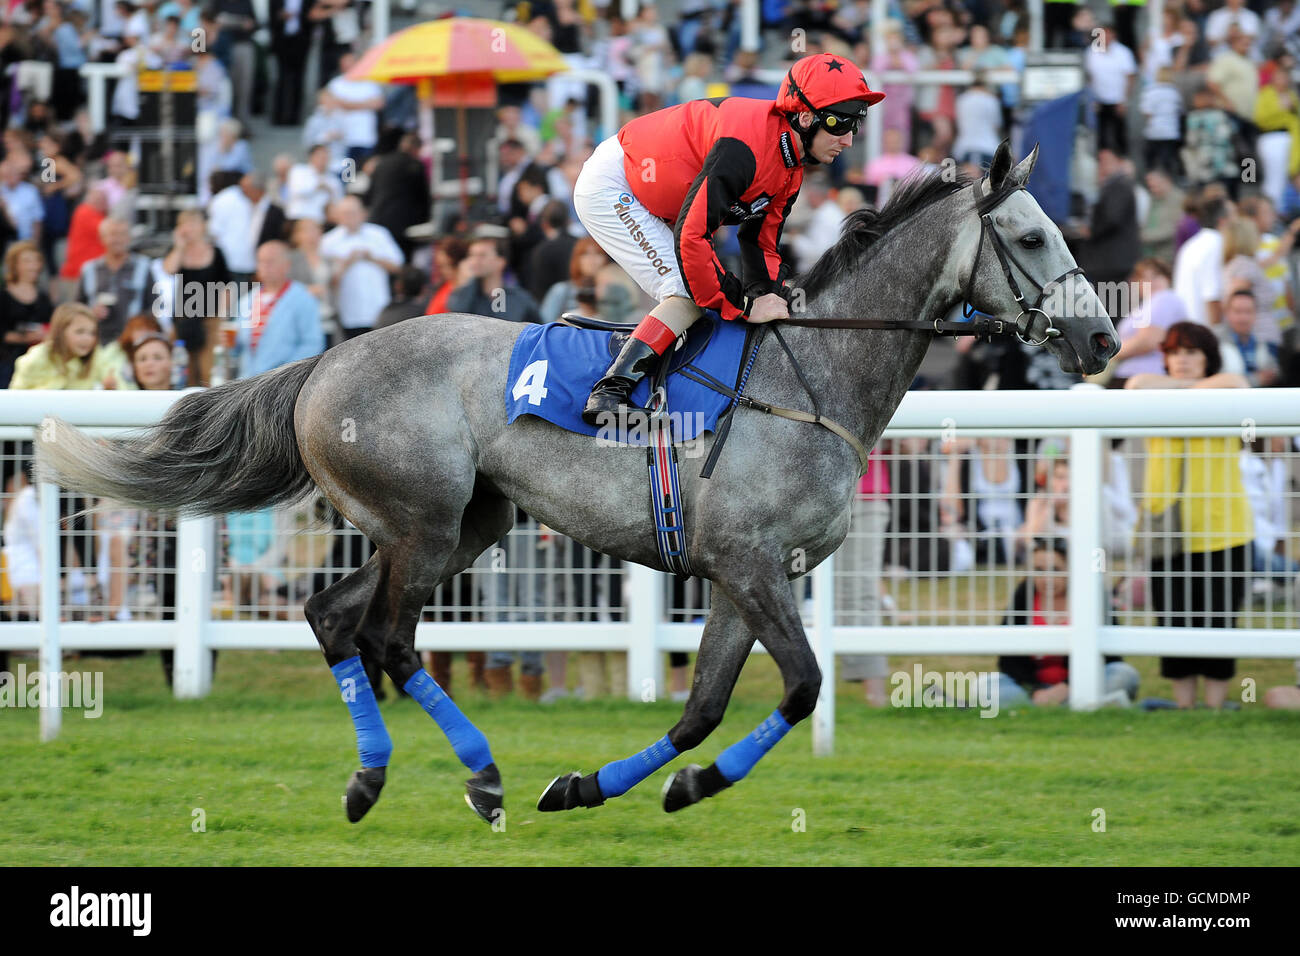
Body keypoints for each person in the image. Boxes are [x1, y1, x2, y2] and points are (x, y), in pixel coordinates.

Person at [572, 52, 884, 427]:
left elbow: (761, 245)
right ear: (805, 118)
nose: (849, 141)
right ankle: (609, 394)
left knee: (723, 291)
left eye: (856, 126)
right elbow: (692, 237)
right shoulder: (745, 147)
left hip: (661, 193)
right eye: (841, 125)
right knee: (685, 290)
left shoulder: (791, 170)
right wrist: (743, 304)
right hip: (614, 186)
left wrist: (769, 294)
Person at [1126, 322, 1254, 709]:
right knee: (1172, 618)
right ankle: (1184, 709)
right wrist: (1189, 393)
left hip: (1223, 528)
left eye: (1192, 352)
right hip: (1167, 528)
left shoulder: (1226, 391)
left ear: (1207, 357)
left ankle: (1214, 709)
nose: (1182, 360)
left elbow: (1238, 384)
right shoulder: (1152, 391)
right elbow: (1134, 386)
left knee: (1219, 621)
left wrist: (1184, 394)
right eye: (1175, 352)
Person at [990, 537, 1140, 707]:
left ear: (1071, 569)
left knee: (1123, 674)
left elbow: (1110, 656)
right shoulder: (1024, 594)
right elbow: (1008, 658)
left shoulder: (1091, 595)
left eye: (1055, 570)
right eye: (1039, 570)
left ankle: (1043, 710)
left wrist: (1066, 687)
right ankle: (1075, 708)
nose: (1047, 579)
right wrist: (1036, 691)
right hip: (1033, 689)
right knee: (988, 685)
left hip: (1083, 685)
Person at [154, 209, 231, 385]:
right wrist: (180, 246)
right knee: (183, 371)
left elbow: (226, 286)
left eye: (193, 223)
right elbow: (168, 270)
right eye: (185, 224)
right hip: (183, 319)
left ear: (203, 226)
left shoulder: (216, 253)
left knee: (209, 370)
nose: (190, 228)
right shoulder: (177, 252)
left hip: (210, 319)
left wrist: (223, 316)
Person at [235, 240, 324, 377]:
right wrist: (230, 343)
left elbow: (312, 343)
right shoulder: (247, 301)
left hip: (283, 384)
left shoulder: (302, 299)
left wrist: (283, 373)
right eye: (261, 261)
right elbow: (238, 346)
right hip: (247, 382)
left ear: (286, 266)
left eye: (271, 261)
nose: (265, 266)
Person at [320, 195, 404, 339]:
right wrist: (346, 263)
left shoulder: (379, 234)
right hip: (349, 312)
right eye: (345, 214)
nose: (349, 217)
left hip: (379, 309)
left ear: (363, 213)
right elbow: (327, 281)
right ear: (338, 216)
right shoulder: (328, 241)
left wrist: (372, 258)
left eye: (353, 213)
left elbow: (398, 266)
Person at [11, 301, 132, 389]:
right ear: (60, 332)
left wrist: (111, 388)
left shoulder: (97, 357)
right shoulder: (36, 358)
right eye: (80, 332)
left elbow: (121, 388)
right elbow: (15, 400)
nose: (88, 339)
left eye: (92, 333)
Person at [1111, 258, 1189, 387]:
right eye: (1144, 278)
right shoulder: (1143, 306)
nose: (1151, 282)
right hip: (1129, 375)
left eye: (1156, 276)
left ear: (1167, 278)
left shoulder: (1165, 298)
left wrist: (1108, 354)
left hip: (1148, 377)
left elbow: (1148, 341)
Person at [77, 218, 154, 345]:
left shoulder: (143, 267)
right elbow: (77, 308)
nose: (117, 239)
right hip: (96, 342)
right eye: (112, 234)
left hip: (131, 343)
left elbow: (154, 306)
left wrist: (140, 326)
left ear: (129, 238)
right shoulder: (89, 269)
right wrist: (91, 313)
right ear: (102, 238)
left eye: (122, 234)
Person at [446, 235, 541, 324]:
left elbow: (539, 328)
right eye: (472, 255)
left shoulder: (518, 298)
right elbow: (456, 316)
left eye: (482, 255)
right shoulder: (467, 294)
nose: (475, 261)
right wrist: (470, 281)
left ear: (500, 262)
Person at [364, 133, 430, 260]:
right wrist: (425, 220)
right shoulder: (415, 165)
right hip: (403, 226)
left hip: (378, 220)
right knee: (401, 260)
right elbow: (423, 198)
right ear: (416, 149)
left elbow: (369, 195)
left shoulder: (382, 163)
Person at [539, 239, 633, 325]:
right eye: (585, 254)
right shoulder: (562, 290)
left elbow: (626, 320)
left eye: (597, 253)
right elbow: (544, 324)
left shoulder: (615, 289)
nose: (592, 260)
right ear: (577, 259)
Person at [0, 241, 52, 387]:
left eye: (36, 260)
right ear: (14, 264)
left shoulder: (43, 298)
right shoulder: (4, 296)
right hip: (8, 361)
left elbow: (51, 323)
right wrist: (23, 338)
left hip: (38, 361)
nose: (33, 266)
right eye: (27, 261)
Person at [1172, 195, 1231, 326]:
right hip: (1204, 332)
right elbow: (1212, 295)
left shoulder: (1190, 245)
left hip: (1187, 328)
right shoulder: (1217, 244)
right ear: (1223, 221)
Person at [1216, 289, 1280, 386]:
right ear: (1227, 313)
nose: (1243, 317)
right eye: (1238, 311)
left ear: (1256, 314)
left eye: (1248, 311)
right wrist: (1255, 380)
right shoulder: (1214, 340)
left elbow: (1274, 372)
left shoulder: (1261, 340)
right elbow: (1216, 379)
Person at [285, 143, 342, 224]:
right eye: (320, 156)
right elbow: (296, 191)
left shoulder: (333, 179)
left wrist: (331, 192)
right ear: (311, 156)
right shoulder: (298, 170)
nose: (323, 159)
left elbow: (338, 201)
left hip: (320, 221)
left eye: (326, 157)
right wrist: (318, 186)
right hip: (298, 218)